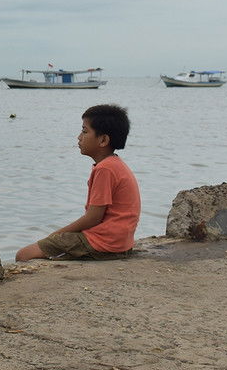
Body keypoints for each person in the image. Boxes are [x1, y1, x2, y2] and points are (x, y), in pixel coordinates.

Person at [15, 104, 140, 262]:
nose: (79, 137)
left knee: (24, 255)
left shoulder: (105, 169)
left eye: (84, 131)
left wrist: (56, 235)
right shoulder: (114, 164)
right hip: (119, 242)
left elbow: (93, 218)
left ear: (103, 140)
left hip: (105, 243)